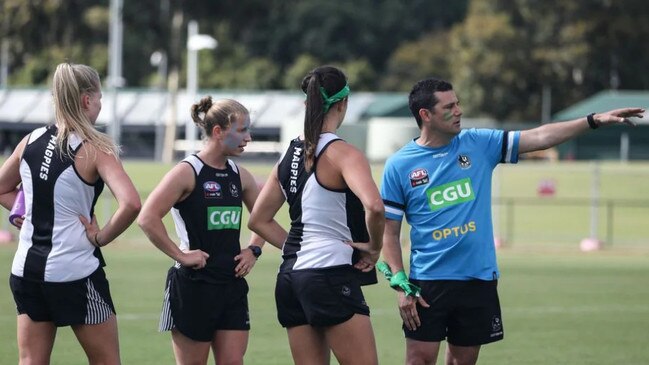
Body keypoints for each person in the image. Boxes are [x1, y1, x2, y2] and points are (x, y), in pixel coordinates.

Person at [380, 77, 644, 365]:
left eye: (458, 103)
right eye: (450, 106)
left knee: (461, 362)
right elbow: (388, 233)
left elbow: (541, 137)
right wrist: (400, 284)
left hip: (477, 278)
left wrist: (594, 120)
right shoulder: (400, 165)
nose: (459, 111)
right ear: (425, 115)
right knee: (419, 360)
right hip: (428, 282)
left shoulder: (479, 143)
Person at [0, 62, 141, 365]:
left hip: (26, 270)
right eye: (100, 97)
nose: (101, 104)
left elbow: (1, 188)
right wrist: (101, 237)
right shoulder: (95, 148)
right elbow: (131, 203)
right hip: (74, 272)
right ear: (87, 100)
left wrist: (28, 212)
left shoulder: (31, 140)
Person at [248, 65, 385, 365]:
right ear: (343, 104)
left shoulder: (289, 153)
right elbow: (375, 207)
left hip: (290, 279)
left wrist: (297, 248)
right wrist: (374, 248)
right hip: (328, 274)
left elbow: (258, 220)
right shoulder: (344, 153)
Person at [137, 97, 280, 365]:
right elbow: (147, 218)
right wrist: (181, 255)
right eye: (242, 130)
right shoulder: (187, 172)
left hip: (231, 286)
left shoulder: (240, 175)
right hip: (194, 287)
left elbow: (264, 217)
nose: (248, 138)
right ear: (218, 132)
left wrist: (254, 249)